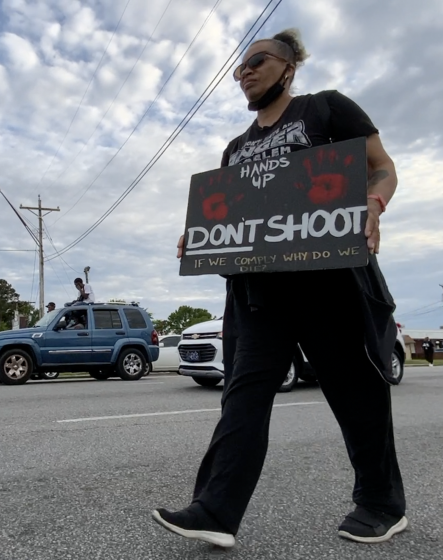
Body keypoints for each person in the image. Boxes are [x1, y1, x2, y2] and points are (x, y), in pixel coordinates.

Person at [154, 28, 406, 549]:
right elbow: (232, 213)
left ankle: (382, 504)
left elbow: (382, 169)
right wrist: (202, 236)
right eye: (239, 68)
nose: (244, 72)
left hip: (328, 281)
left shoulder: (325, 110)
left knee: (354, 392)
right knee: (242, 395)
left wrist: (373, 206)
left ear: (288, 68)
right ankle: (216, 510)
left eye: (257, 61)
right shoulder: (236, 148)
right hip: (258, 294)